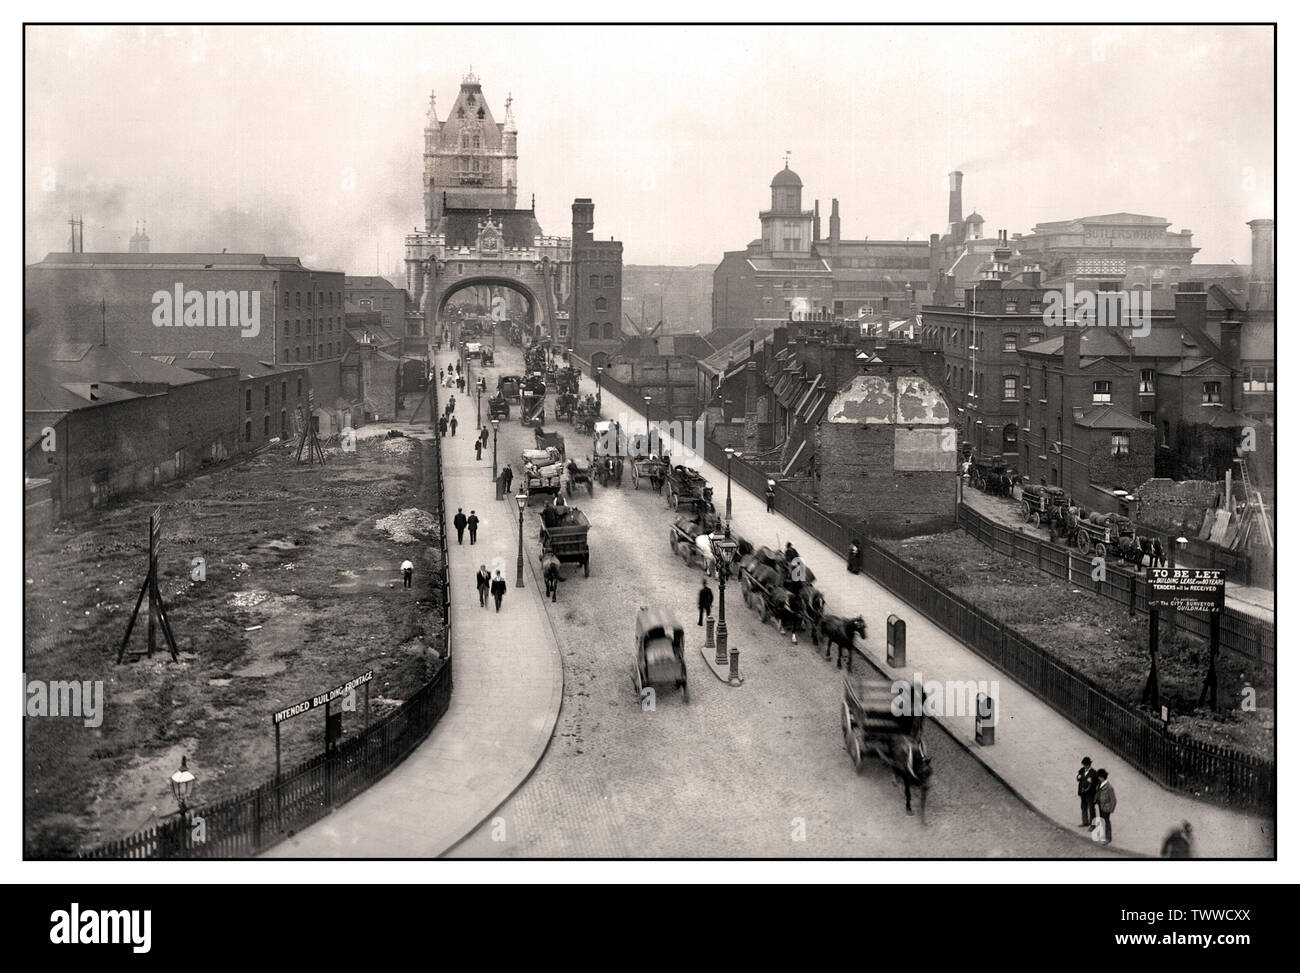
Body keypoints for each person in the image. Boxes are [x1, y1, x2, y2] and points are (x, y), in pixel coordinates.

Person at [1095, 769, 1116, 844]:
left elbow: (1114, 800)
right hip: (1101, 805)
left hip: (1106, 807)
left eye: (1099, 777)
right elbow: (1098, 793)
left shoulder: (1109, 787)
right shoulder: (1100, 784)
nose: (1098, 778)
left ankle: (1108, 838)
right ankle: (1103, 835)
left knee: (1106, 821)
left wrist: (1111, 809)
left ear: (1102, 777)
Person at [1076, 756, 1098, 828]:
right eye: (1084, 765)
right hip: (1083, 792)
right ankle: (1085, 822)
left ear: (1089, 765)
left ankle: (1093, 824)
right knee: (1083, 807)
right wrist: (1078, 777)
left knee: (1091, 808)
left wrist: (1090, 784)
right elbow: (1078, 778)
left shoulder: (1094, 772)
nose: (1085, 766)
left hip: (1090, 793)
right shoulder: (1082, 770)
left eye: (1086, 765)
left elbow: (1095, 783)